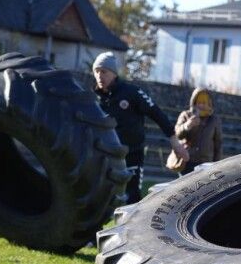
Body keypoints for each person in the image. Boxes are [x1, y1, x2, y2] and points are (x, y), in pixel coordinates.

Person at [92, 52, 188, 203]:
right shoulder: (94, 100)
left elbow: (157, 114)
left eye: (103, 71)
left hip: (132, 155)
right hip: (105, 156)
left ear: (114, 73)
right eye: (96, 71)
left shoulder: (132, 92)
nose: (99, 76)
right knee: (103, 197)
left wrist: (175, 142)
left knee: (132, 198)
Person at [174, 87, 223, 175]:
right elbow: (177, 134)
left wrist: (217, 165)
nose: (202, 105)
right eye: (199, 102)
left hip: (206, 164)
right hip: (187, 161)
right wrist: (187, 125)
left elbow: (218, 144)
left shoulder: (214, 120)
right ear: (194, 102)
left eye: (205, 102)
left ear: (209, 103)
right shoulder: (186, 115)